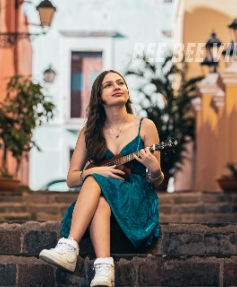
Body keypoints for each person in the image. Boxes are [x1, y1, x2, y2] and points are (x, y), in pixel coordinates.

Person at [39, 70, 163, 287]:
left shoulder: (145, 126)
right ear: (99, 96)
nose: (117, 87)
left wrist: (154, 169)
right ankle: (104, 267)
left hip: (135, 196)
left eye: (120, 83)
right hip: (101, 198)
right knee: (99, 192)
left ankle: (70, 247)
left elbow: (156, 180)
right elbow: (71, 179)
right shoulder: (89, 132)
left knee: (94, 181)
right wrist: (95, 171)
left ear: (127, 91)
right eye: (108, 85)